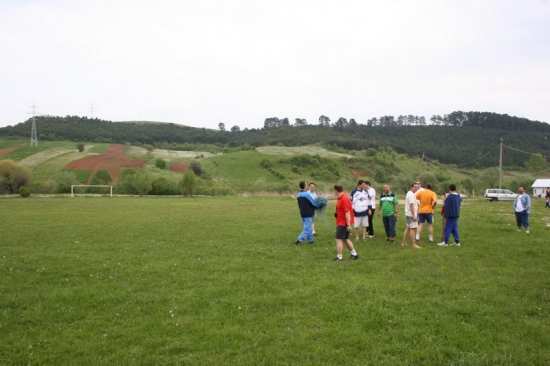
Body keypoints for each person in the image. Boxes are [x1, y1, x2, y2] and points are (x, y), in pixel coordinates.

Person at [333, 184, 359, 261]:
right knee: (345, 239)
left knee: (338, 239)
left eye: (334, 190)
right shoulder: (340, 198)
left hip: (343, 223)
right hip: (341, 221)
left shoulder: (344, 199)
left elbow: (347, 212)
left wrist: (348, 225)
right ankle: (354, 254)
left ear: (336, 190)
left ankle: (339, 257)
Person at [402, 182, 422, 249]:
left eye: (417, 187)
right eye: (415, 187)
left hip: (408, 213)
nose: (416, 188)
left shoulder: (410, 193)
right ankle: (414, 244)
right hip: (411, 214)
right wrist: (414, 215)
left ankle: (403, 242)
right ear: (411, 187)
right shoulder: (411, 195)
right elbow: (411, 205)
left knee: (408, 228)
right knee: (412, 229)